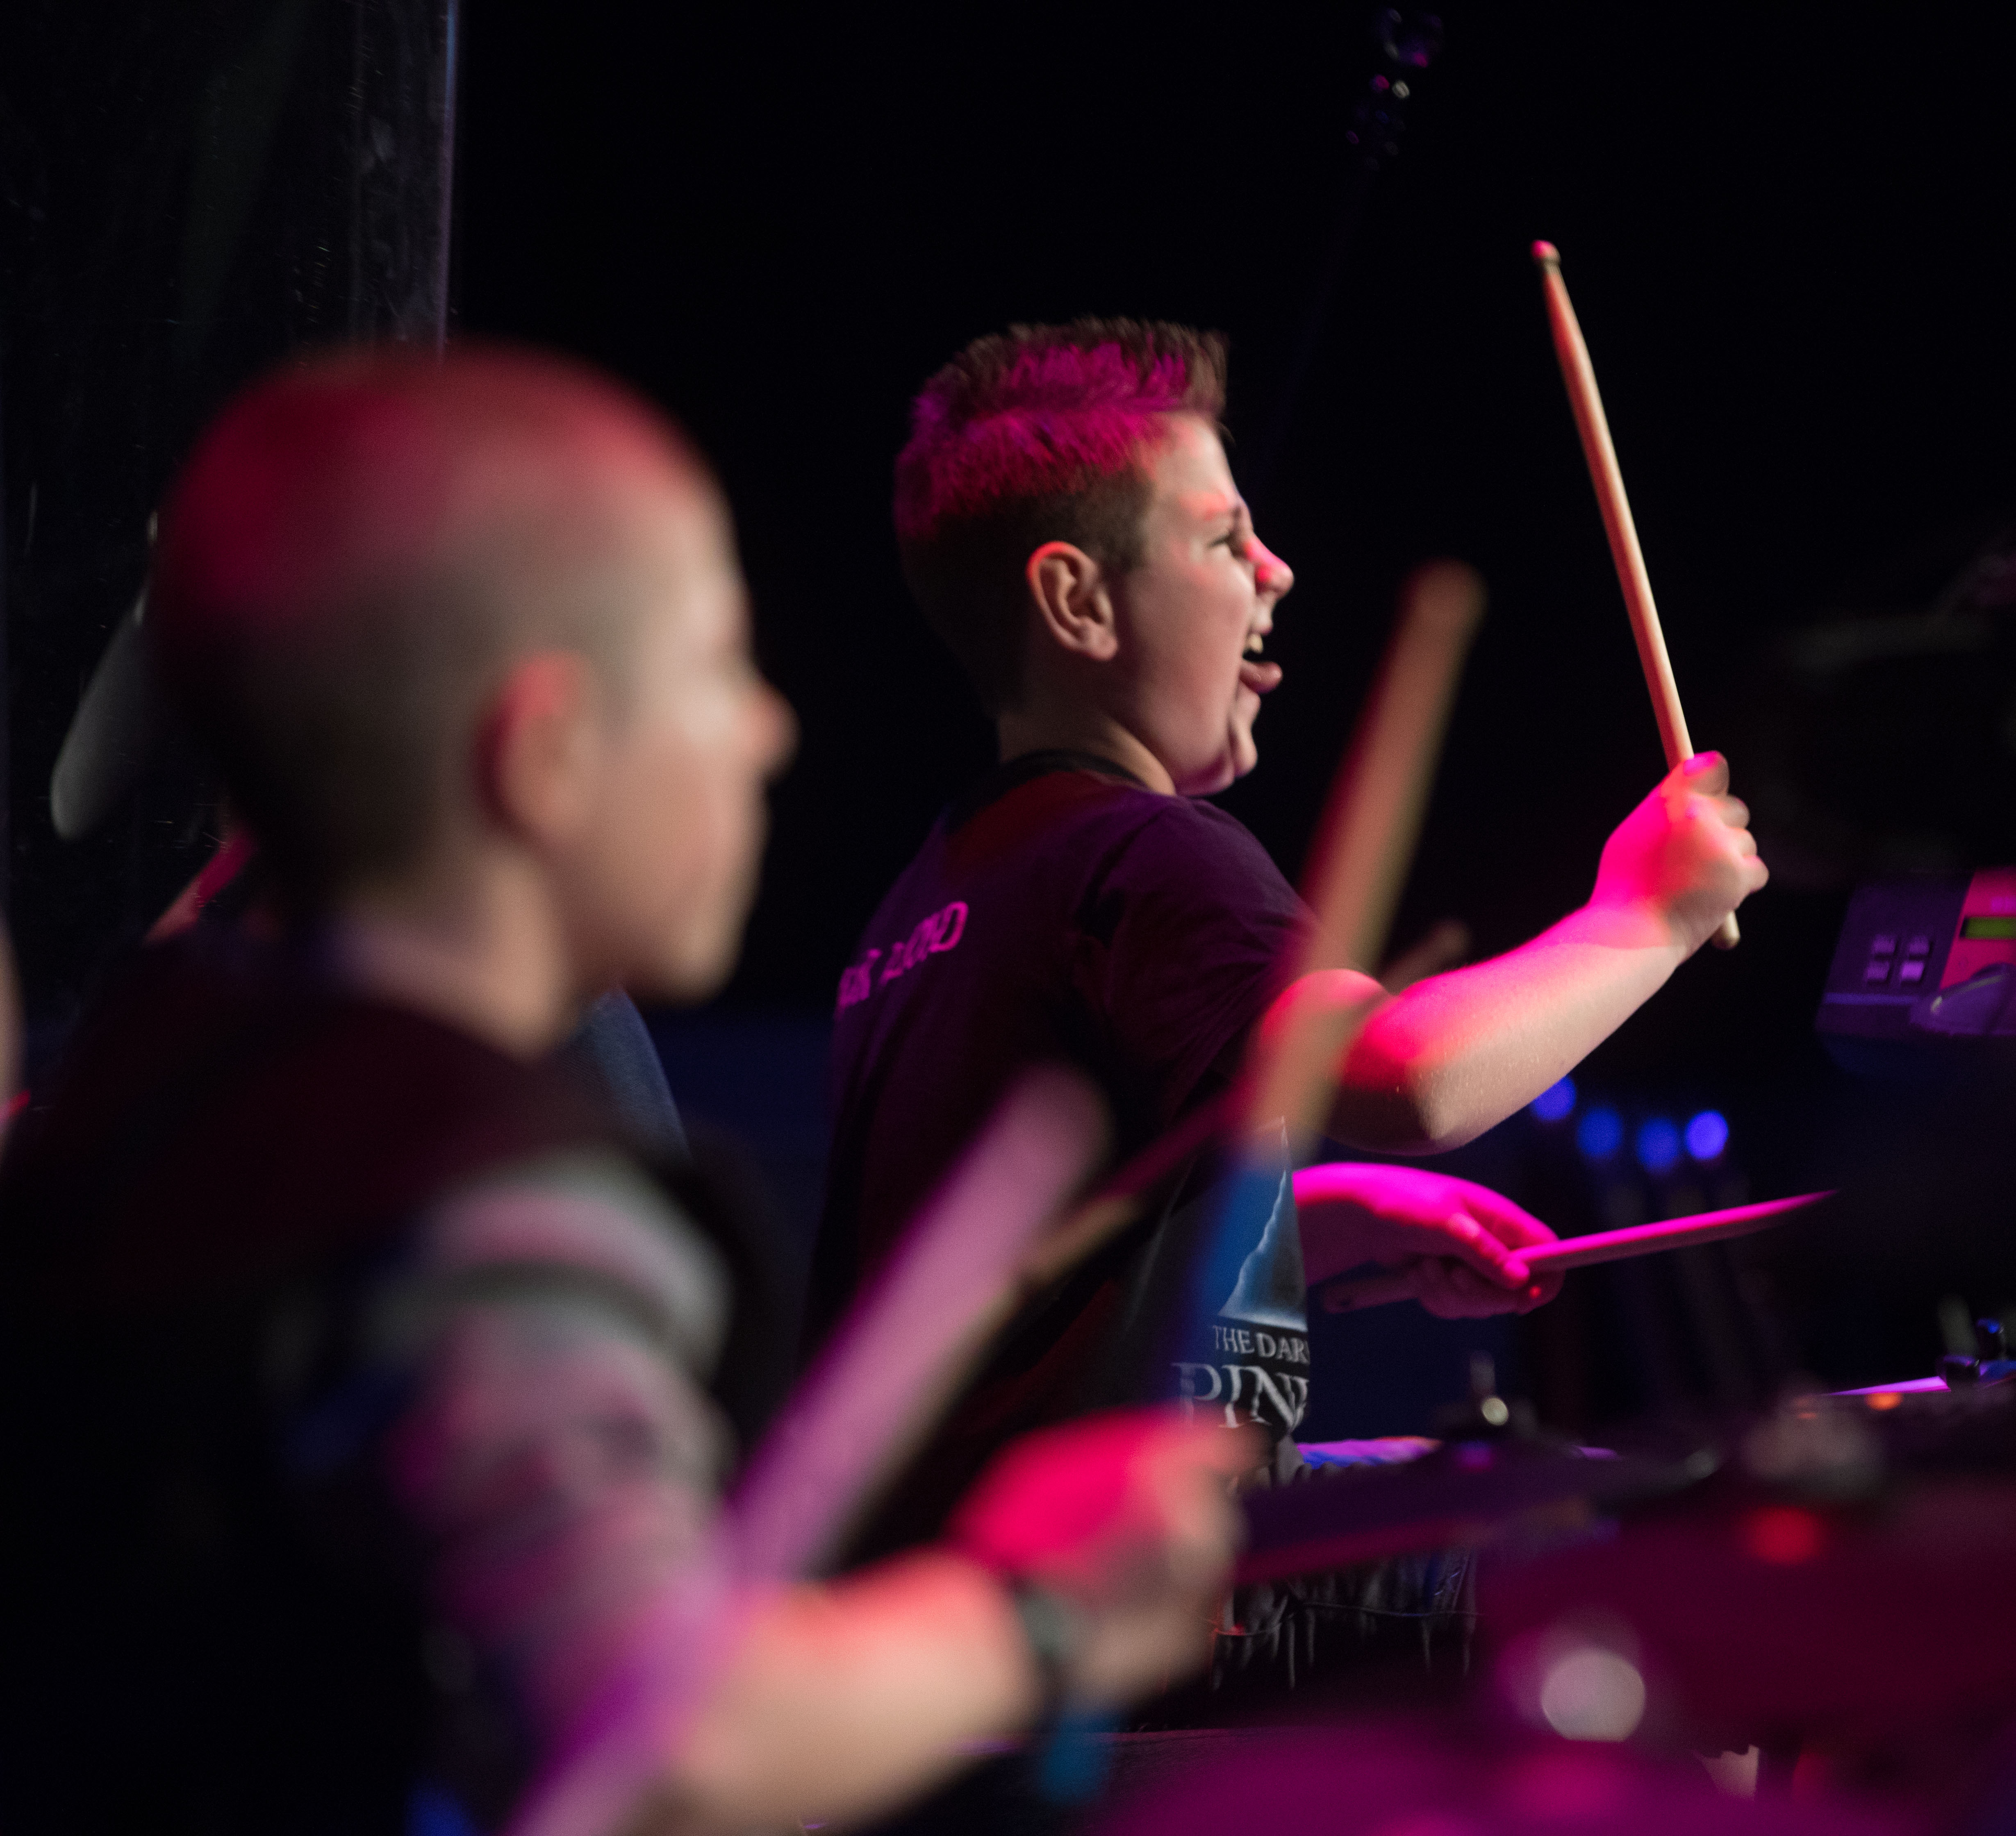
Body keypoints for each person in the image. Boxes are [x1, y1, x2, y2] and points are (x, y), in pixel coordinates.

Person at [0, 346, 1248, 1835]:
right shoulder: (478, 1199)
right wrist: (1038, 1613)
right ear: (546, 752)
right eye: (717, 667)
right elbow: (661, 1737)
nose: (770, 729)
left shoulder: (140, 1108)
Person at [816, 319, 1765, 1584]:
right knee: (1690, 1588)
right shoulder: (1148, 855)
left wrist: (1319, 1223)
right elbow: (1406, 1078)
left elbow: (1048, 1282)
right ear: (1079, 602)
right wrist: (1646, 917)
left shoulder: (933, 904)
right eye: (1222, 540)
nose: (1277, 570)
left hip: (947, 1626)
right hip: (1109, 1652)